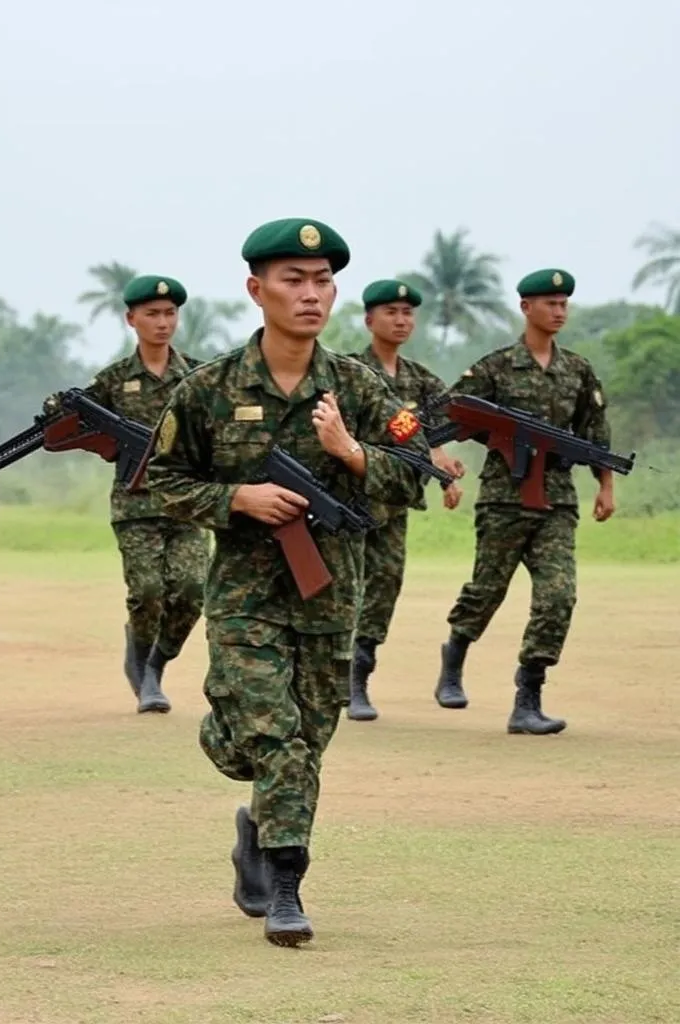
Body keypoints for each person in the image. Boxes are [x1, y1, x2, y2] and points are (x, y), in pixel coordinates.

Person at [144, 219, 428, 946]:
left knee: (306, 740)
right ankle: (287, 889)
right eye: (292, 280)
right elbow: (164, 482)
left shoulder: (361, 390)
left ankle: (258, 821)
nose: (310, 294)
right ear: (255, 289)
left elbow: (417, 476)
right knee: (275, 740)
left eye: (321, 281)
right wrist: (235, 499)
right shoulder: (206, 390)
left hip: (330, 596)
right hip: (244, 600)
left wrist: (352, 452)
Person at [433, 268, 614, 735]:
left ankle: (527, 697)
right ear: (526, 308)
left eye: (563, 304)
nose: (558, 311)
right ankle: (453, 658)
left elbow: (595, 433)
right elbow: (453, 413)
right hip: (503, 499)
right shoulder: (494, 367)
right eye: (549, 303)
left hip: (557, 501)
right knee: (486, 591)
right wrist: (466, 448)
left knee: (559, 597)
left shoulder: (577, 370)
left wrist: (605, 485)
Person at [84, 275, 208, 713]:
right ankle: (140, 660)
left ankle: (155, 663)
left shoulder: (197, 376)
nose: (162, 322)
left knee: (192, 590)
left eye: (170, 313)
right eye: (152, 314)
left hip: (191, 504)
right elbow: (76, 421)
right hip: (136, 506)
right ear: (131, 319)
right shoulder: (114, 381)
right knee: (149, 591)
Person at [345, 279, 465, 721]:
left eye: (407, 313)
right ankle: (333, 675)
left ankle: (358, 679)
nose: (400, 320)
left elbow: (431, 438)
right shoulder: (350, 370)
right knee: (342, 587)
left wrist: (445, 472)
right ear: (369, 319)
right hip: (350, 500)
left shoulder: (421, 380)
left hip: (394, 504)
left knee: (385, 585)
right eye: (391, 312)